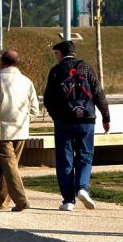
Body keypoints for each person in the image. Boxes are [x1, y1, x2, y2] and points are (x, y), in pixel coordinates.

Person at [42, 40, 110, 211]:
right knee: (85, 156)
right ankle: (82, 188)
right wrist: (106, 117)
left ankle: (68, 201)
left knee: (65, 159)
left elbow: (48, 99)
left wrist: (56, 116)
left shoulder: (56, 71)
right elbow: (98, 93)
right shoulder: (86, 67)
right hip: (87, 120)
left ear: (60, 53)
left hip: (64, 121)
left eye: (55, 53)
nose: (55, 56)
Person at [0, 50, 41, 212]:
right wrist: (25, 121)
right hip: (21, 130)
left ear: (2, 62)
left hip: (2, 131)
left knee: (9, 166)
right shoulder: (27, 81)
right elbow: (35, 108)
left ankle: (21, 201)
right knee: (10, 167)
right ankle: (2, 201)